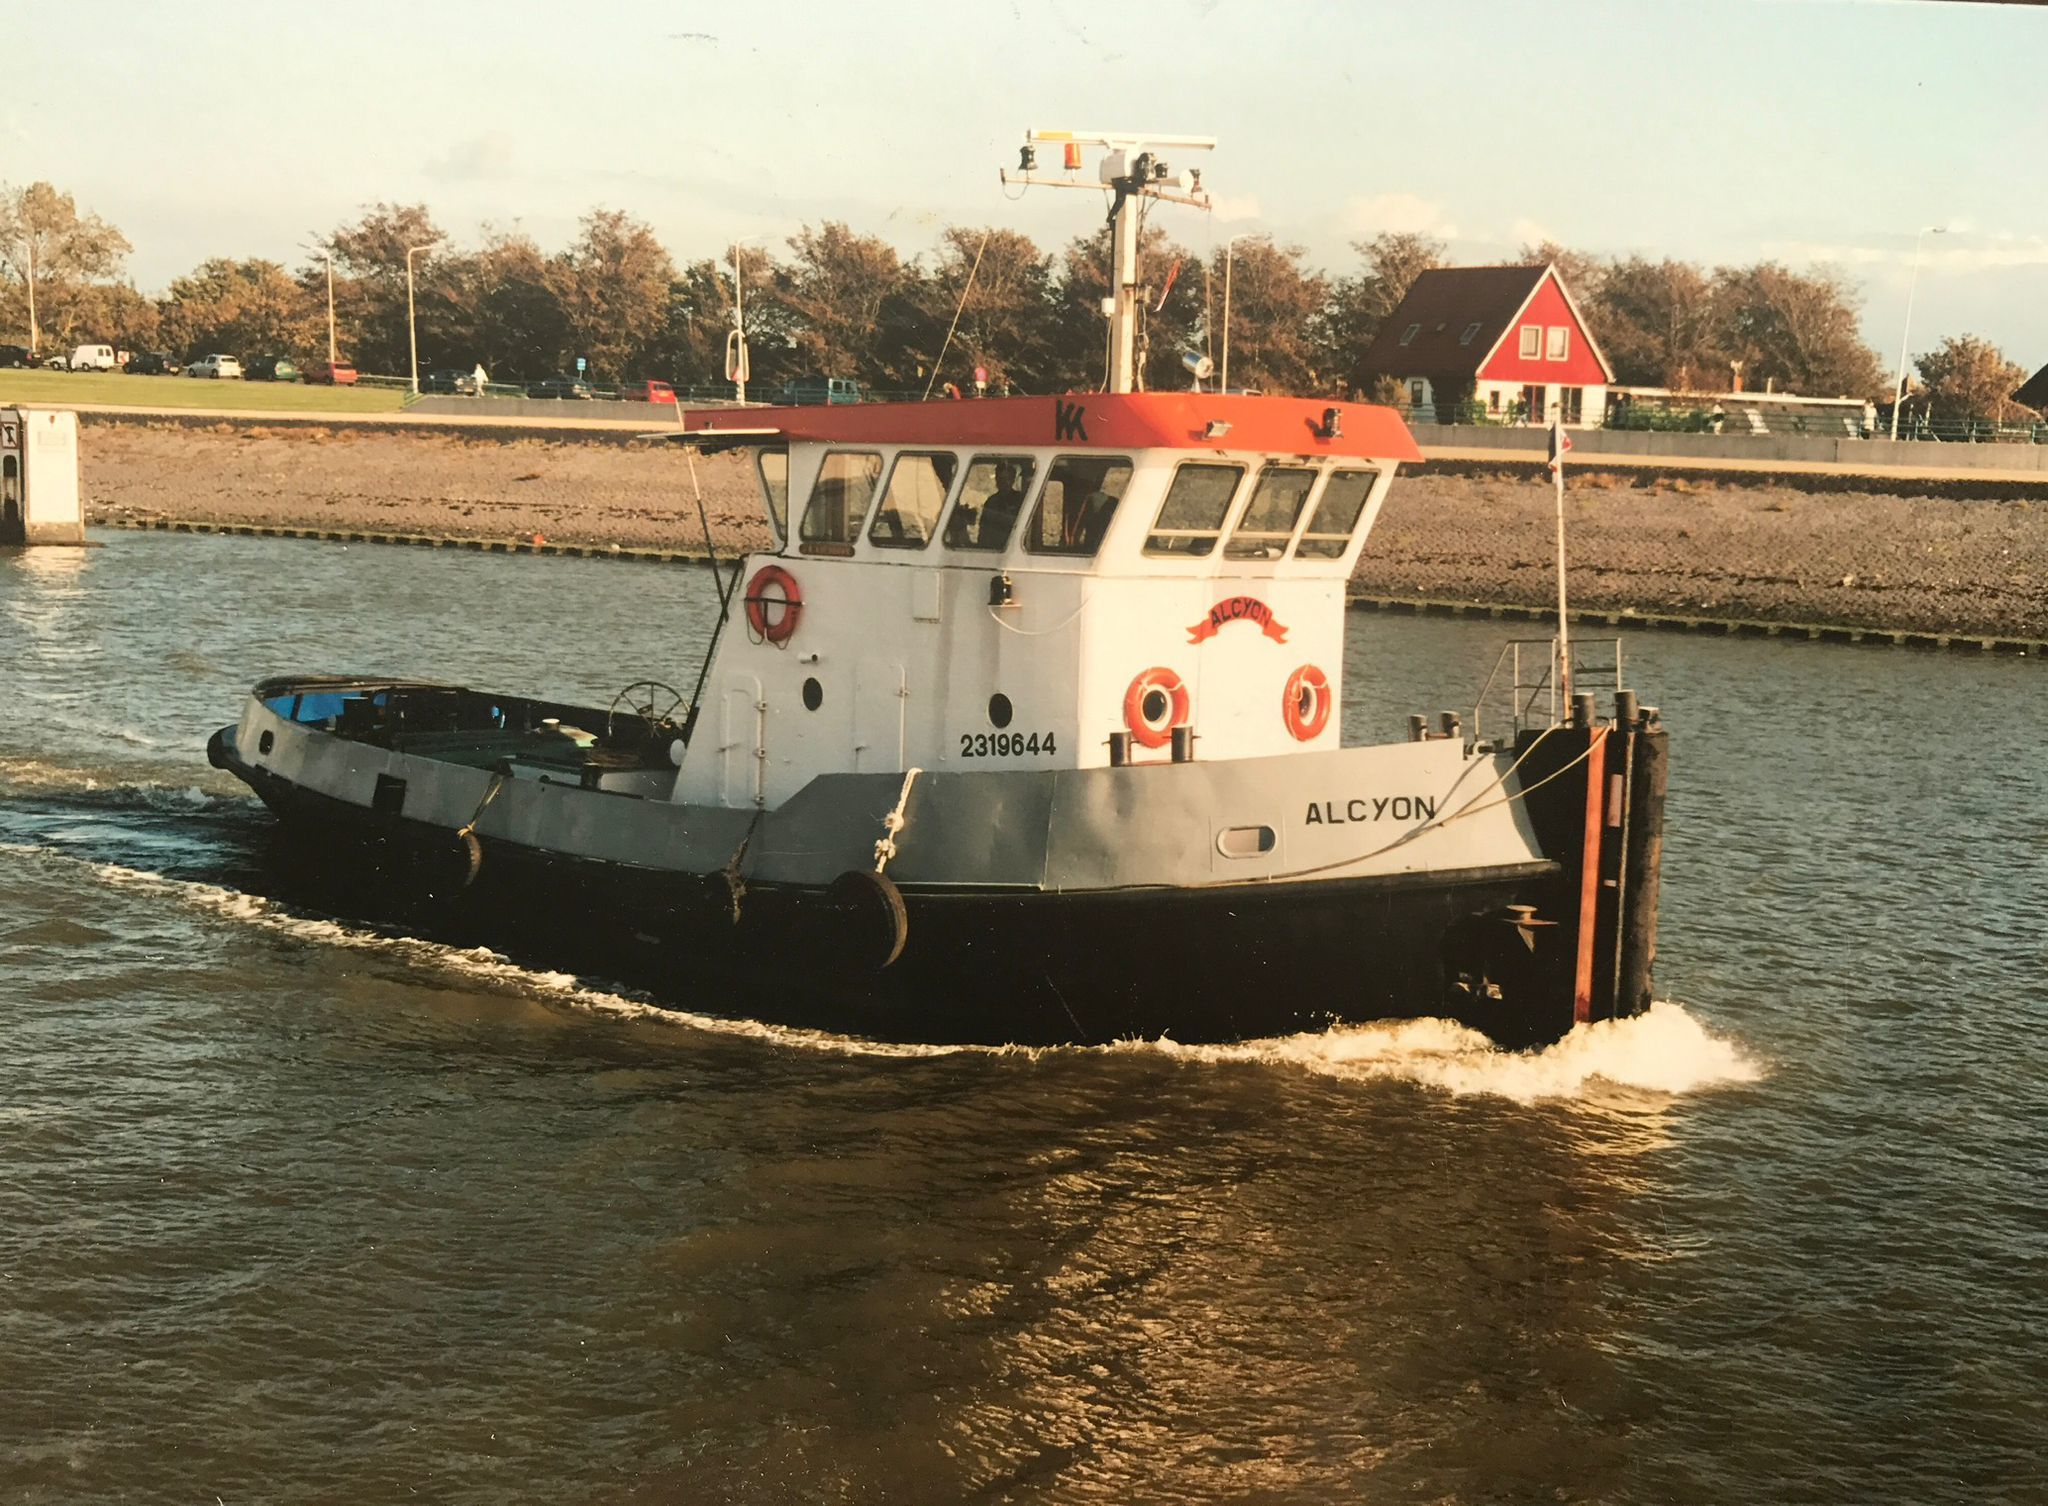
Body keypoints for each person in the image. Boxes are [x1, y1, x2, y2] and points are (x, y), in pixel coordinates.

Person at [977, 462, 1029, 548]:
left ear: (1013, 480)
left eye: (1008, 479)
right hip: (994, 548)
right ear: (996, 480)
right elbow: (983, 531)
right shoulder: (991, 502)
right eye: (1001, 479)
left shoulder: (1020, 500)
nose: (1004, 483)